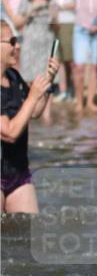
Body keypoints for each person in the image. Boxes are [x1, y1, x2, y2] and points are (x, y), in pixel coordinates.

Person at [1, 20, 58, 213]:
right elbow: (10, 132)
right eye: (12, 41)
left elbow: (33, 111)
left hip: (19, 173)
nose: (17, 46)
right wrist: (33, 96)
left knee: (29, 236)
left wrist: (48, 82)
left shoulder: (14, 77)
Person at [10, 0, 55, 122]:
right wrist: (31, 11)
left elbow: (57, 28)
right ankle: (30, 114)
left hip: (46, 44)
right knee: (29, 80)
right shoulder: (26, 1)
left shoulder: (51, 1)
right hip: (30, 44)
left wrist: (53, 17)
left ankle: (47, 117)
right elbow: (17, 23)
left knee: (47, 80)